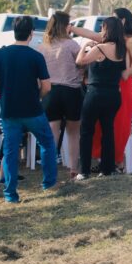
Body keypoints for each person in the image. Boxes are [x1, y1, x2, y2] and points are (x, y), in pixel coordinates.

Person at [0, 15, 58, 202]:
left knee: (9, 151)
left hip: (9, 110)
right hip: (33, 109)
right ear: (31, 34)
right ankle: (48, 184)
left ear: (14, 33)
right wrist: (37, 96)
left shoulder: (0, 54)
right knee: (47, 143)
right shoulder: (36, 56)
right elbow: (47, 86)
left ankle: (10, 194)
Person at [71, 7, 132, 172]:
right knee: (101, 127)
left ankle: (117, 162)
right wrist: (72, 28)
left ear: (123, 21)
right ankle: (104, 161)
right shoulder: (112, 39)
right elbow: (90, 34)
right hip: (109, 84)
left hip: (122, 85)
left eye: (114, 18)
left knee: (117, 126)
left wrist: (123, 73)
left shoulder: (131, 40)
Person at [75, 16, 127, 180]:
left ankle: (84, 171)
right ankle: (108, 168)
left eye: (103, 28)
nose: (101, 31)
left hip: (95, 93)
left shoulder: (101, 48)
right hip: (113, 95)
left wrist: (85, 45)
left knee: (86, 131)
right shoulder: (122, 50)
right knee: (108, 131)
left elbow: (80, 62)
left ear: (107, 30)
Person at [39, 11, 83, 179]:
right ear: (66, 26)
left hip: (50, 92)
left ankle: (49, 170)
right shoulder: (72, 45)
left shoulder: (42, 47)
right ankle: (73, 168)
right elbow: (82, 62)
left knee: (52, 132)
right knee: (73, 131)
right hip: (71, 90)